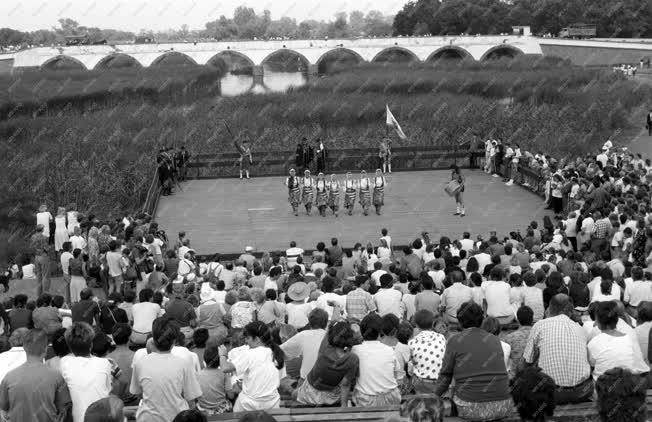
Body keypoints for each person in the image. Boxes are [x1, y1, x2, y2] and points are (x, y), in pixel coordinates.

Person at [433, 301, 512, 420]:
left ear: (460, 321)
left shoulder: (455, 341)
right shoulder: (495, 340)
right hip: (503, 406)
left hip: (470, 409)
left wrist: (433, 397)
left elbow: (445, 376)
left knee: (453, 387)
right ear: (482, 320)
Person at [522, 294, 593, 404]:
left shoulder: (540, 325)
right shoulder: (580, 328)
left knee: (528, 372)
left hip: (553, 393)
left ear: (549, 308)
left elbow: (527, 362)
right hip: (581, 392)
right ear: (570, 310)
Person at [130, 316, 202, 422]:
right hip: (178, 418)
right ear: (174, 341)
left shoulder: (140, 362)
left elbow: (138, 393)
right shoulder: (183, 363)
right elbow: (191, 399)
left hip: (147, 418)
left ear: (153, 339)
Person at [0, 331, 71, 422]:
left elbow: (3, 409)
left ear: (24, 348)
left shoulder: (9, 377)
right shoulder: (56, 376)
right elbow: (63, 409)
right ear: (46, 349)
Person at [222, 321, 285, 412]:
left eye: (247, 338)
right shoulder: (277, 353)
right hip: (272, 404)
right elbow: (275, 379)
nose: (246, 342)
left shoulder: (251, 353)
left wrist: (222, 355)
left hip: (249, 405)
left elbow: (225, 368)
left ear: (257, 339)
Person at [60, 322, 112, 422]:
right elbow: (107, 390)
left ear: (69, 348)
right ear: (91, 345)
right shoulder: (105, 363)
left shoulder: (64, 363)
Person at [587, 301, 649, 381]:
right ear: (617, 319)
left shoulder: (594, 341)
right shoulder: (629, 336)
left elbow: (591, 363)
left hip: (603, 386)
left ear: (598, 322)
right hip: (626, 384)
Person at [351, 313, 401, 407]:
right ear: (380, 332)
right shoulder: (389, 350)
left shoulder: (355, 350)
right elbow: (397, 375)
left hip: (365, 400)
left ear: (362, 332)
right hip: (390, 398)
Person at [280, 308, 328, 381]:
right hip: (326, 379)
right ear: (326, 323)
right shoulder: (330, 336)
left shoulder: (303, 335)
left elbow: (279, 350)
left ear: (309, 321)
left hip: (307, 380)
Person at [409, 310, 447, 394]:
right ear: (432, 323)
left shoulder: (412, 342)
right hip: (439, 382)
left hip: (421, 383)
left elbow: (413, 363)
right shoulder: (441, 337)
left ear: (416, 325)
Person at [196, 342, 233, 415]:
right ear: (220, 361)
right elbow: (231, 395)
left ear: (205, 359)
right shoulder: (224, 374)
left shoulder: (197, 375)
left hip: (202, 410)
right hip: (221, 410)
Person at [31, 224, 51, 295]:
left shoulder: (33, 237)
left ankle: (39, 293)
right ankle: (46, 293)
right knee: (46, 275)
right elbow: (46, 248)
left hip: (36, 256)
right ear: (42, 229)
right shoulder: (44, 237)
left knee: (39, 276)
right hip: (43, 256)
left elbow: (33, 247)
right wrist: (49, 248)